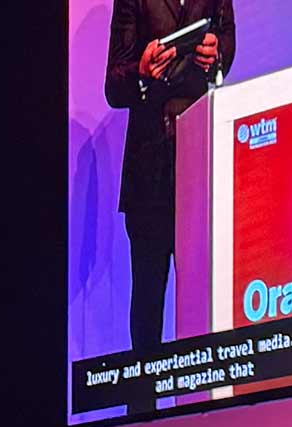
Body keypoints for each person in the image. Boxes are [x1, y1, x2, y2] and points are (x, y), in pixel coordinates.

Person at [105, 2, 237, 350]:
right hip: (150, 170)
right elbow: (113, 85)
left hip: (203, 161)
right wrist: (141, 71)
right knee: (148, 302)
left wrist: (218, 54)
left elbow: (226, 39)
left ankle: (208, 401)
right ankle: (144, 402)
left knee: (206, 298)